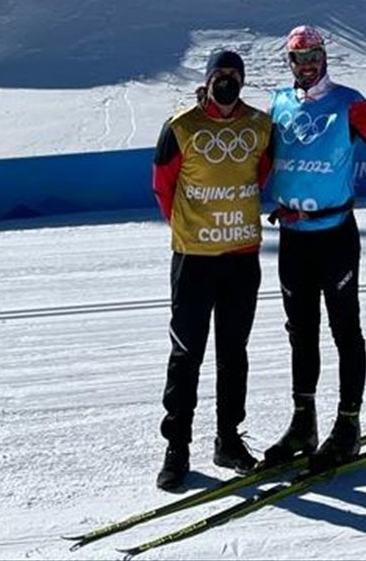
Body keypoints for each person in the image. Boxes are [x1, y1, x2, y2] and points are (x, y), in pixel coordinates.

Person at [263, 25, 366, 470]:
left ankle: (348, 425)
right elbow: (260, 157)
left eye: (314, 57)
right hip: (293, 236)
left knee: (345, 329)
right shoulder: (278, 102)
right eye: (299, 58)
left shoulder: (348, 102)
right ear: (290, 62)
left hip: (335, 236)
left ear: (324, 57)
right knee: (301, 331)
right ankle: (303, 422)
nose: (308, 65)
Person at [151, 50, 275, 491]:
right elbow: (163, 186)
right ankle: (177, 447)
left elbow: (261, 176)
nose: (227, 81)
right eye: (219, 74)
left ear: (243, 80)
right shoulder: (180, 126)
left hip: (241, 257)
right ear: (206, 80)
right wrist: (192, 229)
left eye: (234, 75)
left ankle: (228, 439)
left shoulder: (259, 126)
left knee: (233, 352)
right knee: (186, 353)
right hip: (194, 260)